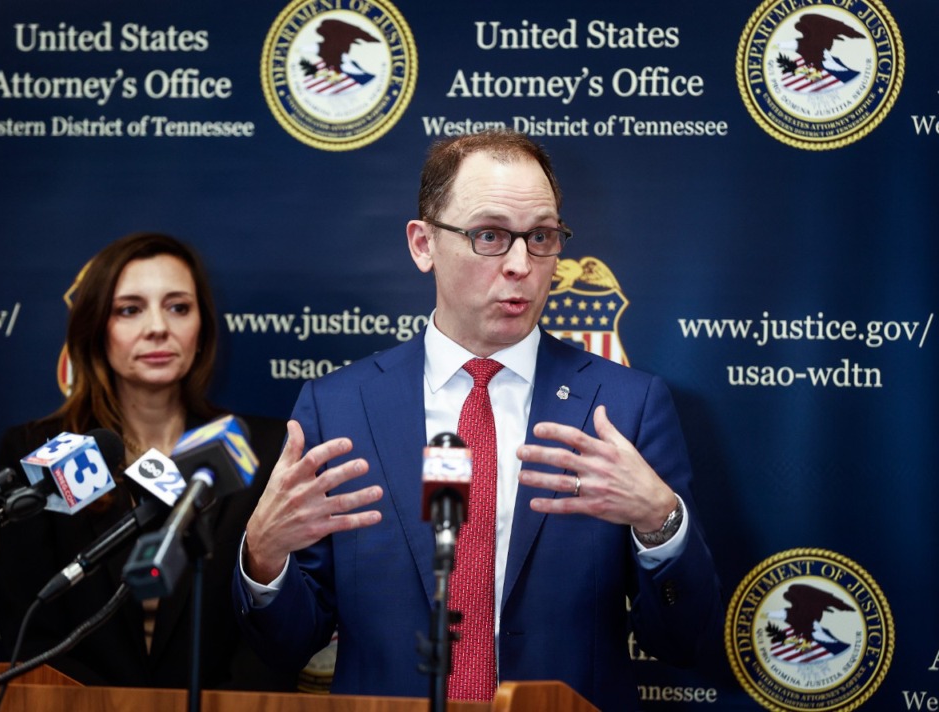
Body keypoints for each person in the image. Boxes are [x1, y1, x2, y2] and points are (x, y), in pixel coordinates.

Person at [234, 131, 724, 711]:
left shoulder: (624, 408)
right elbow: (287, 643)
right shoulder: (339, 407)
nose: (520, 264)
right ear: (423, 244)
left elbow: (683, 641)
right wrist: (263, 559)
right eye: (490, 235)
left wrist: (661, 523)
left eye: (540, 237)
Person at [0, 232, 294, 690]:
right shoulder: (37, 450)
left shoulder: (262, 450)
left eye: (178, 307)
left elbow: (276, 630)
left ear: (202, 330)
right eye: (130, 309)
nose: (158, 327)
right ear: (97, 328)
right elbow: (29, 628)